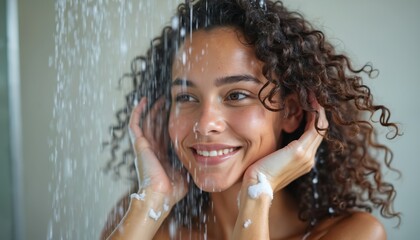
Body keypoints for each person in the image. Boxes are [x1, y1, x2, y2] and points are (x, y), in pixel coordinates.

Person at [101, 0, 400, 239]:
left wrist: (257, 194)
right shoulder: (144, 226)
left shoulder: (353, 235)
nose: (205, 125)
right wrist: (153, 199)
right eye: (186, 97)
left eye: (236, 96)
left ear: (291, 112)